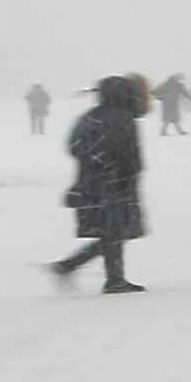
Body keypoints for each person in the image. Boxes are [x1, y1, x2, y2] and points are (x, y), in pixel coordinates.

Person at [45, 74, 148, 294]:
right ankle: (99, 275)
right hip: (116, 183)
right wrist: (125, 171)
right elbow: (129, 154)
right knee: (115, 232)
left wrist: (95, 161)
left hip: (91, 183)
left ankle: (102, 275)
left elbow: (75, 146)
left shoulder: (91, 117)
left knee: (111, 232)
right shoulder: (122, 118)